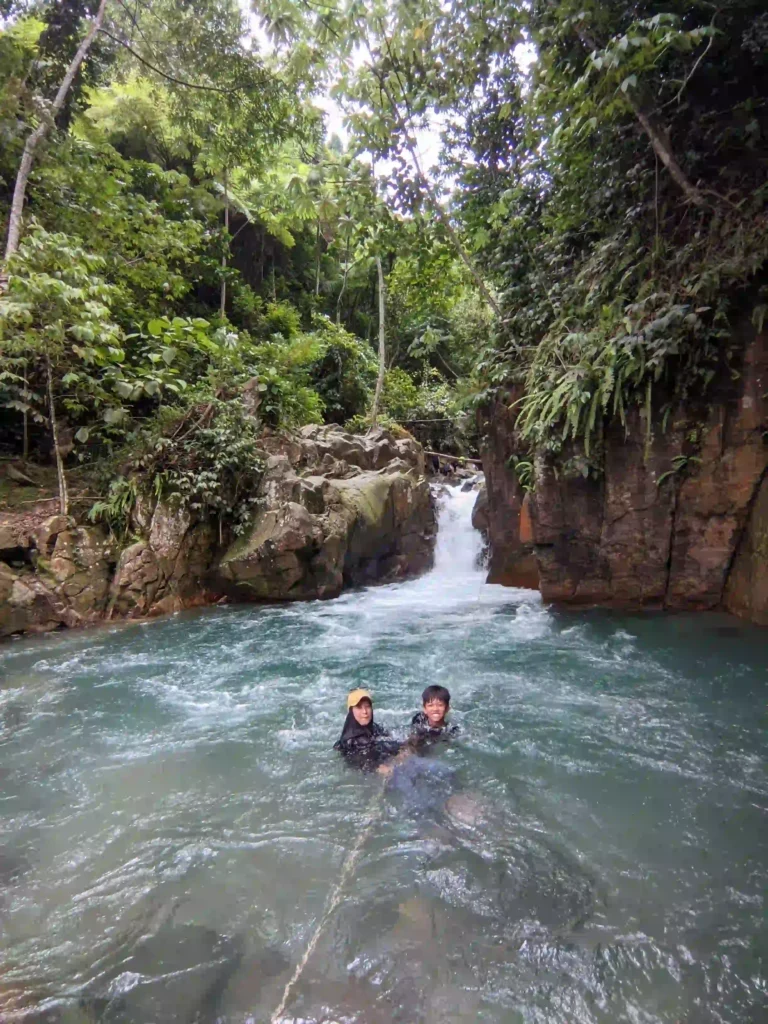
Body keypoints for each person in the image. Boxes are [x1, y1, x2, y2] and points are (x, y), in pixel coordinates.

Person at [334, 689, 400, 772]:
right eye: (359, 707)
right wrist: (379, 768)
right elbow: (363, 762)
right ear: (351, 711)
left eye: (367, 706)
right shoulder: (351, 741)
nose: (365, 712)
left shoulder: (374, 728)